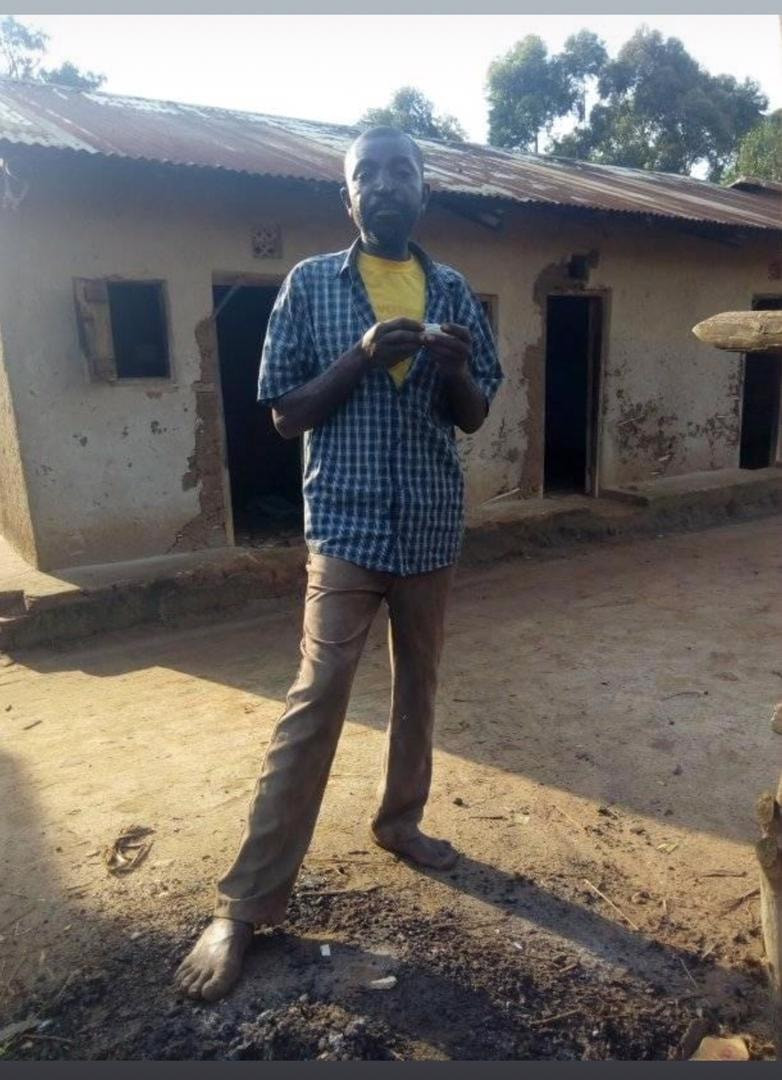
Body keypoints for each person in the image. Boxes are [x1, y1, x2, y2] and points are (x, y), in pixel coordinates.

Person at [174, 126, 503, 1001]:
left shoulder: (456, 292)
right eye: (369, 175)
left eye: (404, 171)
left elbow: (472, 416)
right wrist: (360, 359)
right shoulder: (310, 287)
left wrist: (458, 371)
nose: (387, 185)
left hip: (431, 529)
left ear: (424, 191)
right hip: (349, 533)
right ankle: (243, 906)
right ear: (348, 198)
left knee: (420, 687)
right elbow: (284, 414)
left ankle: (400, 823)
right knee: (315, 703)